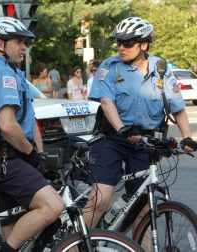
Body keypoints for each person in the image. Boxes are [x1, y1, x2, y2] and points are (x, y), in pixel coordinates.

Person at [83, 16, 195, 232]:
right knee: (100, 199)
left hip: (144, 142)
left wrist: (187, 136)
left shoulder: (161, 69)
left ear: (144, 45)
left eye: (127, 43)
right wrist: (122, 130)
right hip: (112, 138)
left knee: (143, 209)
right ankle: (76, 245)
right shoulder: (110, 66)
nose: (120, 47)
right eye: (118, 42)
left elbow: (177, 107)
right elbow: (106, 102)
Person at [0, 17, 64, 252]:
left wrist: (39, 155)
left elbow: (28, 119)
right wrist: (31, 152)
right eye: (19, 42)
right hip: (7, 160)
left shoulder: (13, 73)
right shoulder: (2, 76)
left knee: (13, 232)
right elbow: (7, 125)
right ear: (1, 45)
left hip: (11, 159)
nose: (24, 47)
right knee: (53, 206)